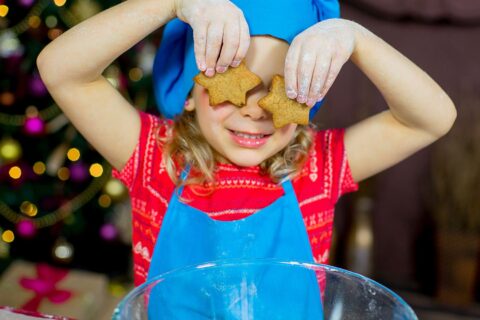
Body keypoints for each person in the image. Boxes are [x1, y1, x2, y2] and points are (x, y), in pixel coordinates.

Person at [36, 0, 456, 316]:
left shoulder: (317, 166)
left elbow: (433, 118)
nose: (255, 110)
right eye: (232, 81)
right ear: (187, 91)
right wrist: (174, 3)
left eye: (285, 88)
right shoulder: (154, 156)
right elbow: (60, 69)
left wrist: (354, 38)